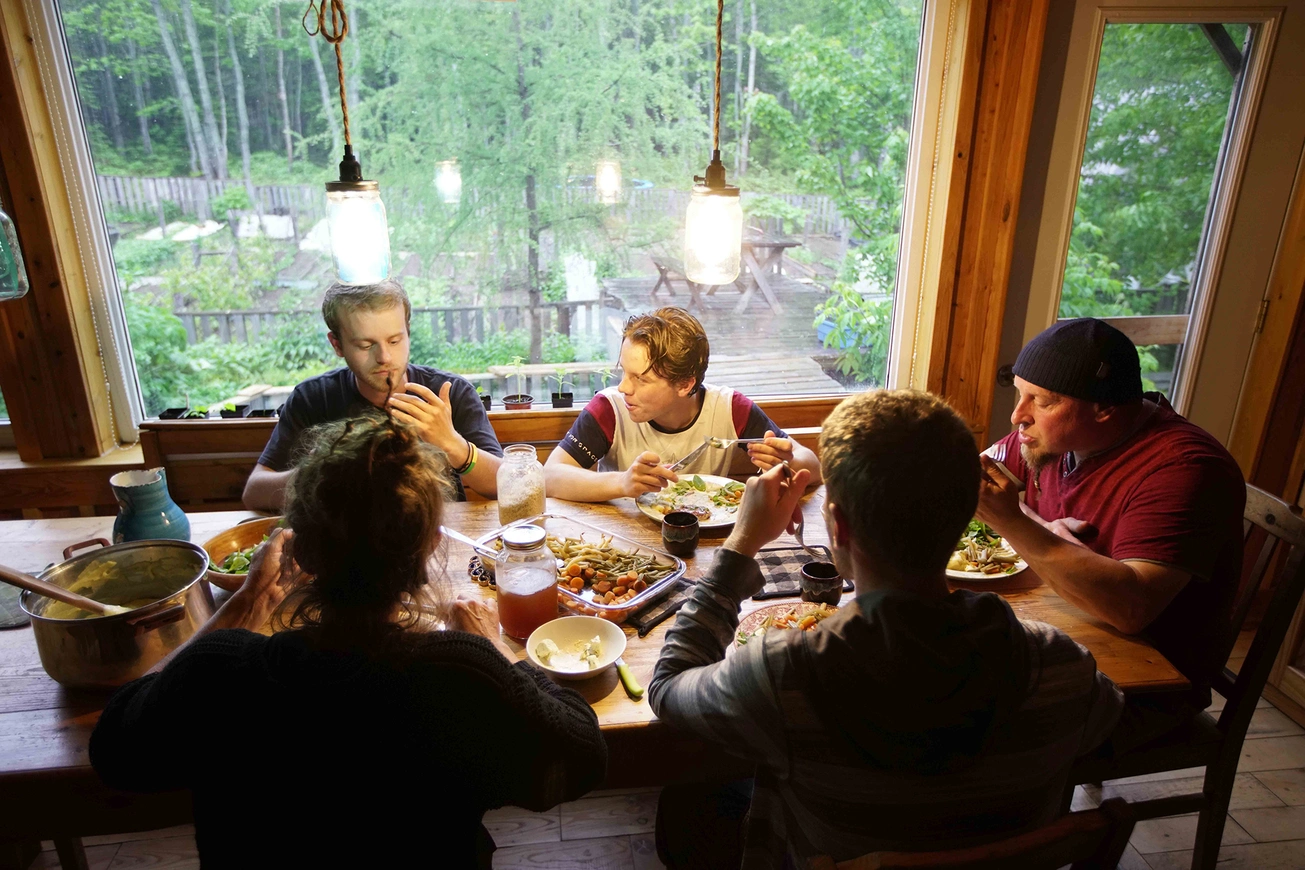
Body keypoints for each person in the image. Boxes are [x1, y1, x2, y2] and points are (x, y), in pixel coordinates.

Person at [92, 415, 606, 868]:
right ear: (429, 547)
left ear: (300, 551)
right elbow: (582, 756)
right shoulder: (461, 674)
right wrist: (496, 651)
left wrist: (244, 604)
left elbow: (115, 749)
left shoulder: (218, 673)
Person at [648, 390, 1123, 869]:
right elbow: (1108, 726)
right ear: (967, 516)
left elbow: (667, 688)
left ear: (838, 527)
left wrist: (740, 545)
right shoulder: (1062, 665)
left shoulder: (783, 674)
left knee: (687, 805)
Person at [977, 318, 1245, 749]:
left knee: (969, 723)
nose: (1017, 416)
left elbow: (1132, 611)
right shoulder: (1054, 436)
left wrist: (1015, 522)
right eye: (1020, 393)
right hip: (1072, 638)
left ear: (1104, 408)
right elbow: (976, 477)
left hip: (1146, 688)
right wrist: (1044, 529)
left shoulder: (1185, 470)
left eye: (1041, 401)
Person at [242, 279, 503, 510]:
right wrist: (315, 474)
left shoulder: (449, 393)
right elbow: (254, 492)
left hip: (436, 536)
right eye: (365, 345)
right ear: (337, 345)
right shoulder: (313, 398)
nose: (384, 357)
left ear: (408, 332)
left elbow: (504, 485)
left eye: (395, 341)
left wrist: (453, 445)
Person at [544, 307, 822, 502]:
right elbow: (550, 475)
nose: (624, 387)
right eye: (624, 372)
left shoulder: (729, 408)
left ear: (685, 385)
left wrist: (787, 461)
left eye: (641, 379)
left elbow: (813, 467)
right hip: (624, 540)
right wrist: (622, 482)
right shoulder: (610, 408)